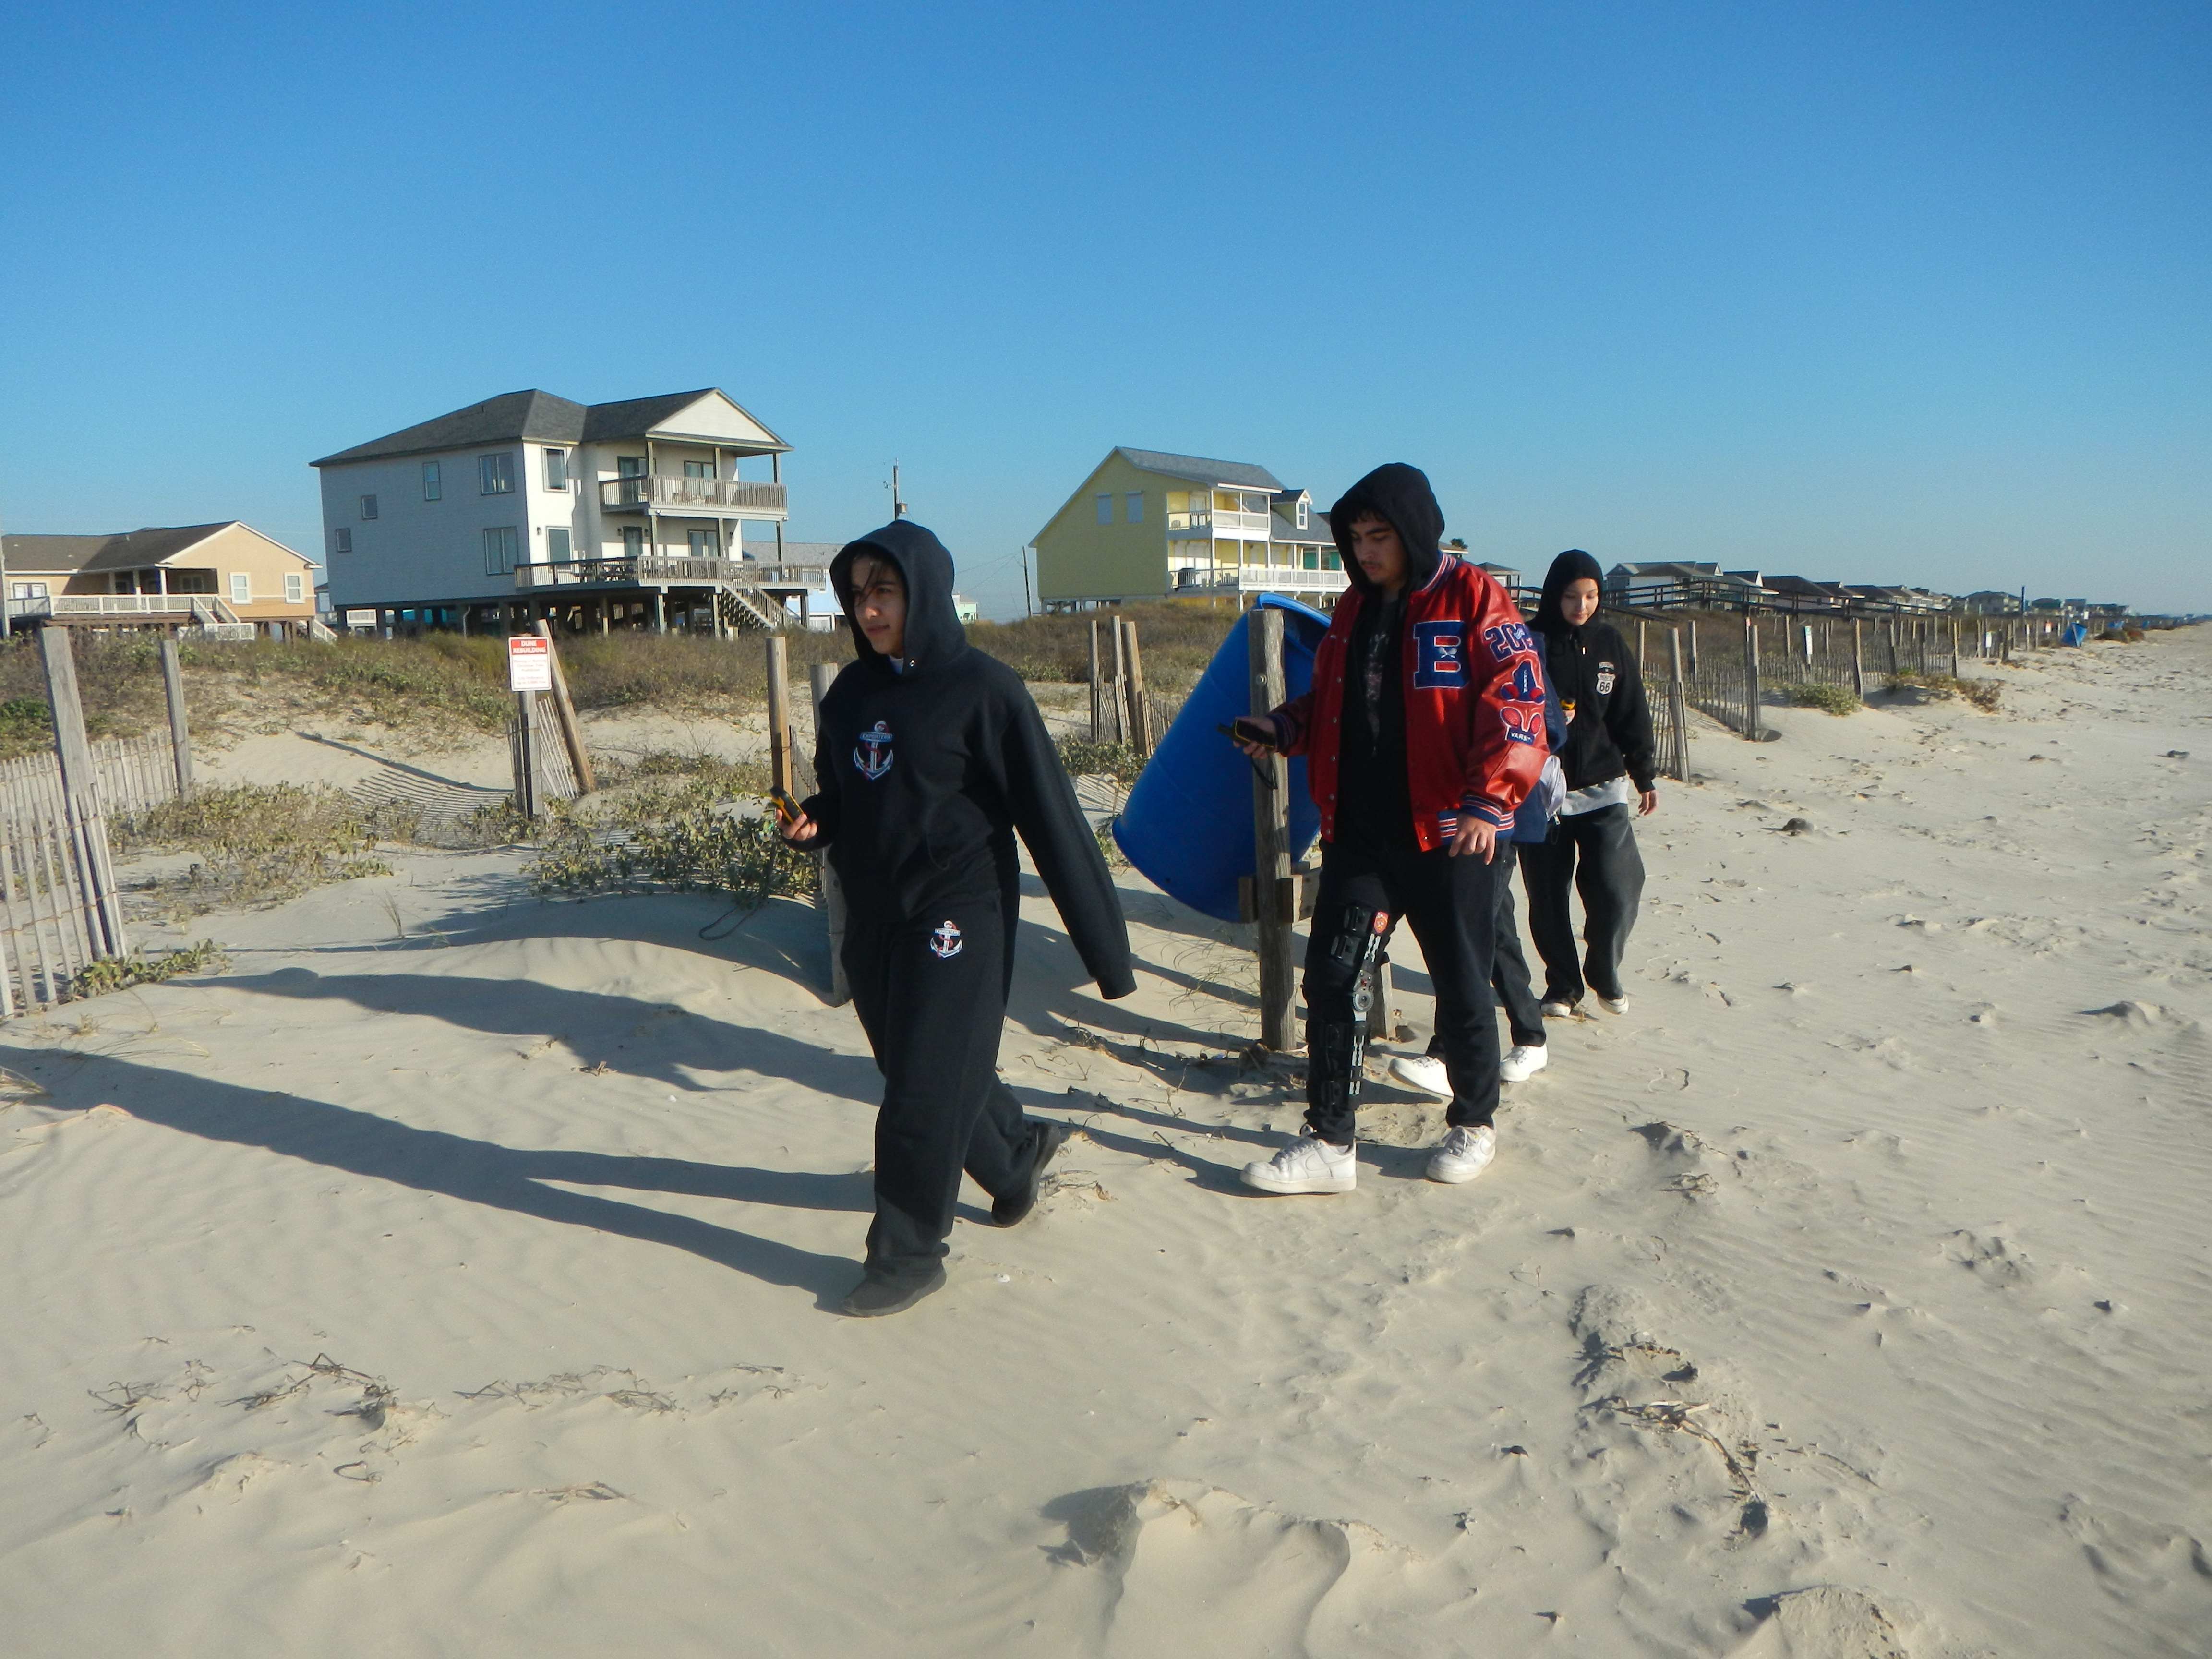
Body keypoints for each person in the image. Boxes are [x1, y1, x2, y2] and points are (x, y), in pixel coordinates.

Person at [781, 521, 1136, 1316]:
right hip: (873, 913)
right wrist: (816, 818)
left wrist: (1106, 955)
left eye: (885, 592)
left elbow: (1051, 819)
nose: (869, 611)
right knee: (925, 1066)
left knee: (921, 1088)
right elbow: (845, 794)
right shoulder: (850, 694)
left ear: (925, 592)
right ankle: (1014, 1155)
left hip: (959, 909)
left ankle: (906, 1255)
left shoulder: (986, 690)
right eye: (857, 594)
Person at [1233, 464, 1547, 1193]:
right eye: (1355, 539)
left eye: (1380, 536)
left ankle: (1474, 1122)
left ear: (1414, 531)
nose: (1366, 551)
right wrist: (1282, 728)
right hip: (1360, 830)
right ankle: (1329, 1142)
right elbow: (1332, 704)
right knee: (1334, 976)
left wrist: (1489, 799)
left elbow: (1520, 700)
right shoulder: (1353, 609)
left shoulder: (1475, 597)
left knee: (1462, 981)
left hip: (1453, 831)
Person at [1389, 631, 1567, 1095]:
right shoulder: (1429, 641)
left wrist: (1489, 780)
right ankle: (1531, 1035)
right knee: (1492, 928)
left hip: (1497, 818)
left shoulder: (1508, 643)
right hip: (1452, 818)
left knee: (1469, 934)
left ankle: (1446, 1056)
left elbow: (1547, 728)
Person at [1520, 550, 1657, 1018]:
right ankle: (1562, 986)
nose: (1582, 606)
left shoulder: (1609, 643)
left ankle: (1603, 969)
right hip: (1541, 794)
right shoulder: (1529, 642)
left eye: (1591, 596)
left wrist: (1644, 774)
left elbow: (1631, 712)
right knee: (1547, 897)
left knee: (1619, 888)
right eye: (1571, 596)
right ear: (1553, 596)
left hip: (1604, 786)